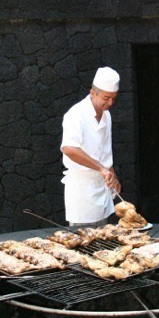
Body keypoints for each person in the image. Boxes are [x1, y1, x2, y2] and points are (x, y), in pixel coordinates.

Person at [61, 67, 122, 226]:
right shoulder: (76, 114)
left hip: (101, 188)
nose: (110, 103)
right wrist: (102, 169)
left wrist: (112, 175)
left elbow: (105, 151)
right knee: (83, 242)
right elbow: (69, 148)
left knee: (103, 237)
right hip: (82, 191)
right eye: (106, 98)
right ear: (92, 93)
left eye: (113, 98)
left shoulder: (106, 116)